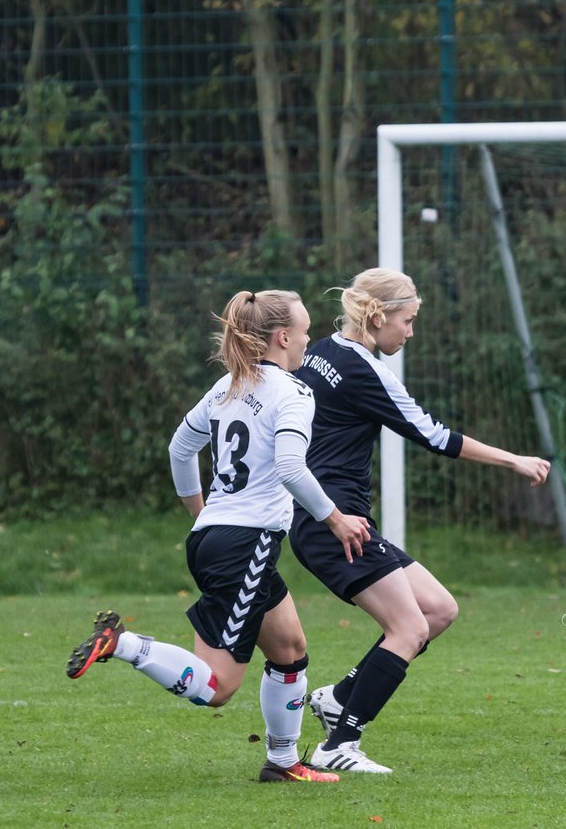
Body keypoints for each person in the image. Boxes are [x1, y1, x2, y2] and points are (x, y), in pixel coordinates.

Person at [64, 289, 370, 783]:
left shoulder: (229, 385)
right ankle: (122, 644)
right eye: (306, 330)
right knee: (218, 687)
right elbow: (291, 467)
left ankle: (283, 762)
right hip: (244, 545)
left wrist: (202, 512)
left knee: (289, 647)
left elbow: (179, 449)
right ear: (283, 337)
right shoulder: (293, 392)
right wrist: (335, 518)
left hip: (218, 539)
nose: (310, 339)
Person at [290, 268, 550, 774]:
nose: (410, 333)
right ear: (378, 315)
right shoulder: (367, 372)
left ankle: (338, 698)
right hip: (334, 522)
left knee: (438, 609)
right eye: (407, 321)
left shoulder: (320, 351)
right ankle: (338, 745)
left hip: (326, 516)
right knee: (408, 627)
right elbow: (435, 436)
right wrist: (513, 460)